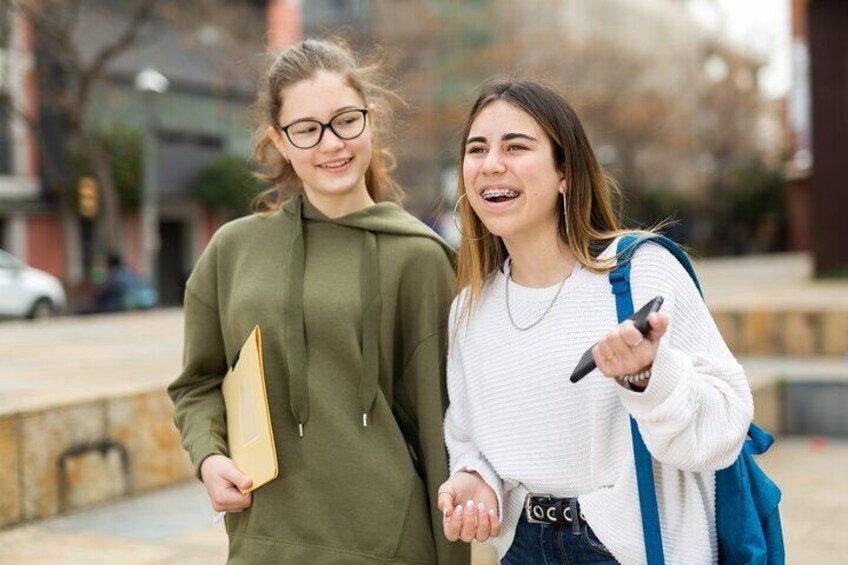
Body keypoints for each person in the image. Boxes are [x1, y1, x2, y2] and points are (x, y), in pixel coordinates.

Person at [168, 39, 468, 565]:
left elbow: (443, 428)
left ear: (370, 121)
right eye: (307, 130)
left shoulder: (419, 258)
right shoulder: (232, 251)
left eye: (345, 121)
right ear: (279, 142)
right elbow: (197, 383)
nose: (331, 143)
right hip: (264, 542)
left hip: (390, 548)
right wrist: (209, 458)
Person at [436, 78, 754, 564]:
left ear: (565, 172)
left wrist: (650, 377)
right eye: (476, 149)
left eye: (516, 146)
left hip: (631, 549)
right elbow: (467, 437)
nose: (491, 164)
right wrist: (474, 476)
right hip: (522, 548)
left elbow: (724, 430)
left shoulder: (639, 271)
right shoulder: (470, 308)